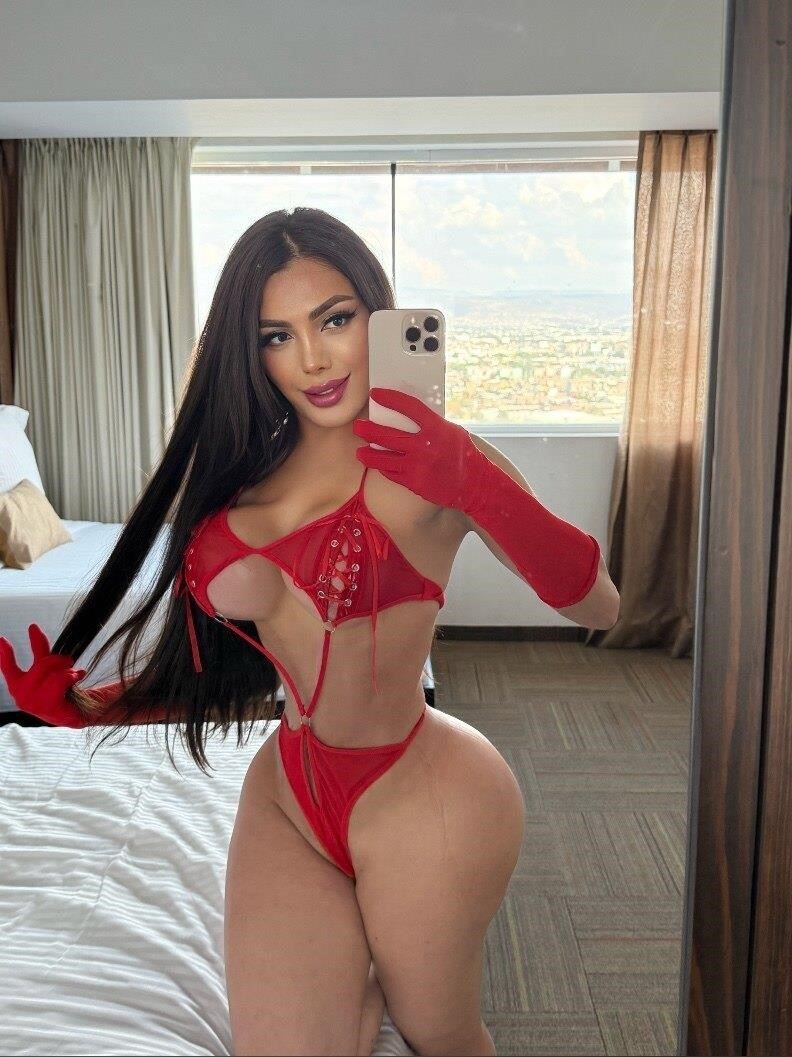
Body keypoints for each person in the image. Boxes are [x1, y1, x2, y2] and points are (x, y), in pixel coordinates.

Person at [0, 207, 619, 1056]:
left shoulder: (439, 461)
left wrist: (474, 480)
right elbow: (236, 667)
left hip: (423, 790)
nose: (314, 359)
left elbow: (599, 604)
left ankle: (382, 961)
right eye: (277, 336)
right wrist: (90, 706)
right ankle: (355, 973)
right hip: (290, 791)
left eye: (334, 319)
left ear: (377, 314)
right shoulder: (239, 473)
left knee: (437, 1029)